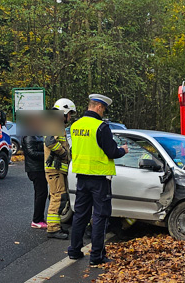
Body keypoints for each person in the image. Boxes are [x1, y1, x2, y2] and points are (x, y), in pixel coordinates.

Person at [67, 94, 128, 265]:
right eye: (104, 109)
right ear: (99, 107)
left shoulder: (75, 126)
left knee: (80, 215)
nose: (103, 113)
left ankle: (74, 251)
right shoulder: (101, 127)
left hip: (81, 177)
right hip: (99, 179)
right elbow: (112, 152)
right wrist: (122, 150)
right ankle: (96, 256)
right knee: (100, 216)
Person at [45, 98, 76, 239]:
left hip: (57, 169)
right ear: (64, 112)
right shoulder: (55, 123)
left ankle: (55, 225)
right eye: (69, 114)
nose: (69, 117)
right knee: (58, 197)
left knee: (58, 197)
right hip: (54, 169)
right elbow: (50, 142)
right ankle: (52, 229)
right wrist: (64, 154)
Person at [22, 134, 48, 228]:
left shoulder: (36, 135)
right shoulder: (29, 136)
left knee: (42, 194)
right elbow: (31, 153)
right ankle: (36, 220)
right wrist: (47, 154)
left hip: (39, 168)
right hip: (35, 169)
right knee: (41, 194)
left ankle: (39, 218)